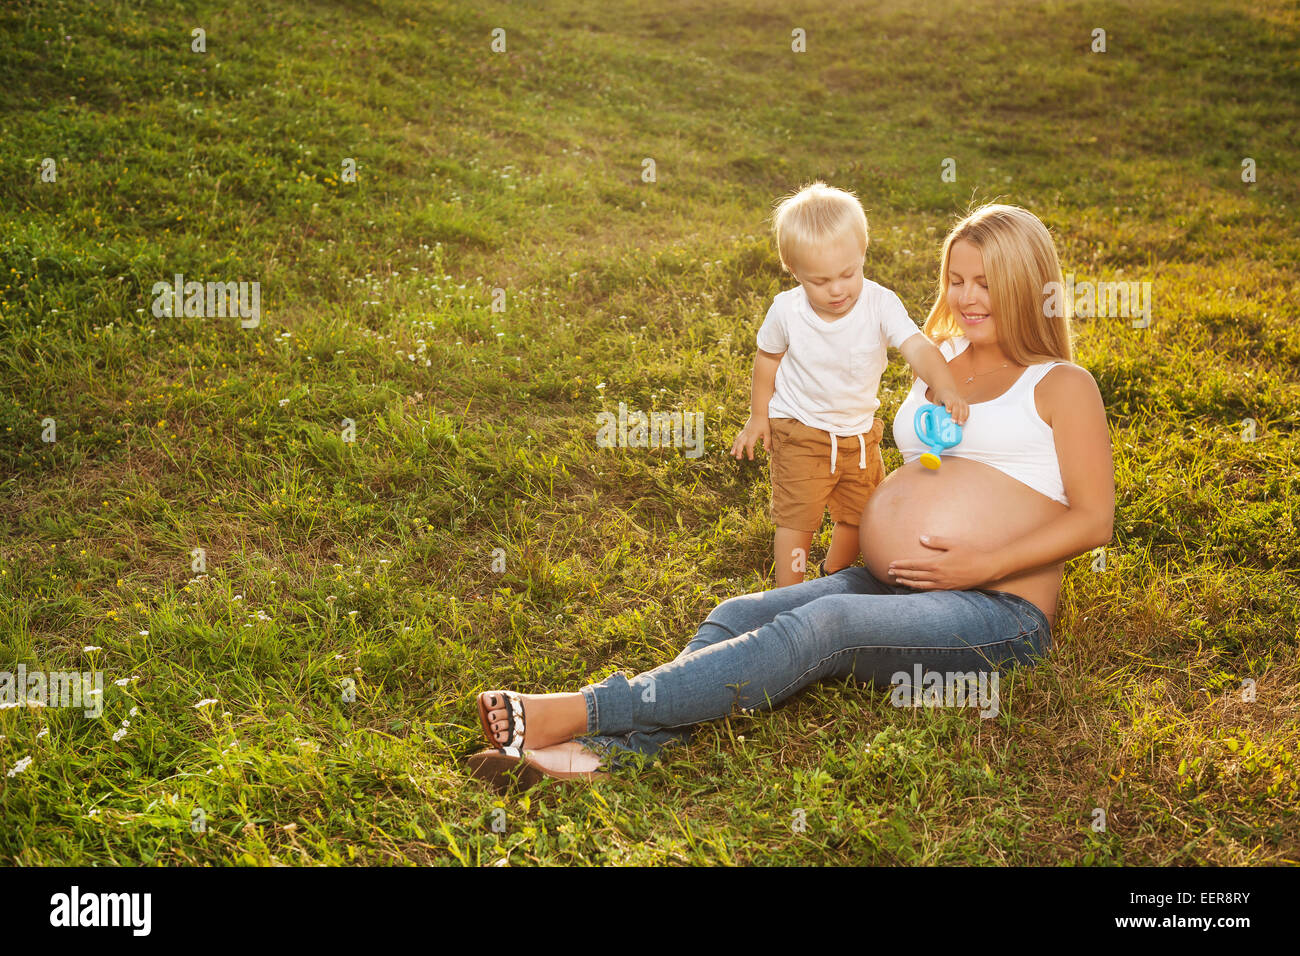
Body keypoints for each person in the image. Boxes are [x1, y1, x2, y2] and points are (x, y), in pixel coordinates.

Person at [467, 203, 1115, 791]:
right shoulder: (940, 357)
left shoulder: (1061, 384)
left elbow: (1094, 521)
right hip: (894, 582)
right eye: (957, 278)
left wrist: (980, 565)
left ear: (1030, 285)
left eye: (987, 282)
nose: (967, 297)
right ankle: (624, 753)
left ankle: (583, 711)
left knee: (822, 628)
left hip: (999, 611)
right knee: (736, 610)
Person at [730, 181, 968, 587]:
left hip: (859, 436)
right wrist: (758, 416)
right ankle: (789, 593)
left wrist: (943, 383)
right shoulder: (786, 311)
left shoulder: (880, 303)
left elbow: (917, 347)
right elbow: (768, 359)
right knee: (797, 520)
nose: (837, 289)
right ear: (794, 271)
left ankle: (832, 573)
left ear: (863, 255)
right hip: (800, 429)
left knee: (862, 516)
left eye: (848, 273)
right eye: (820, 281)